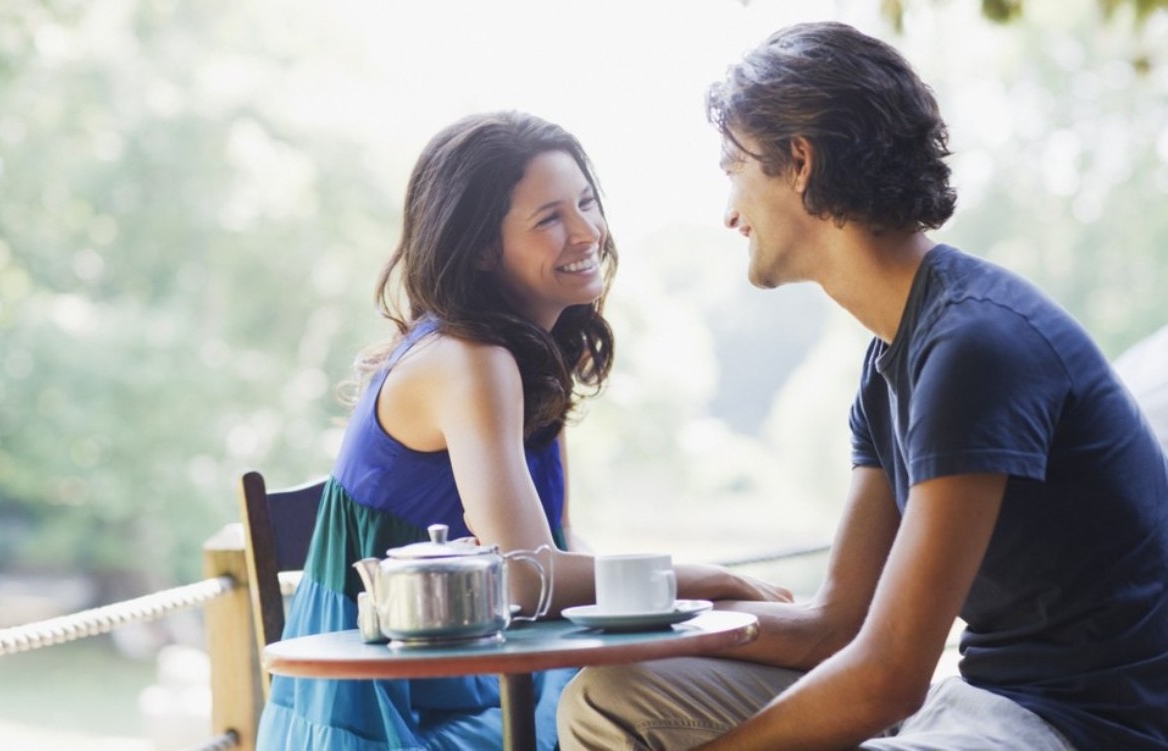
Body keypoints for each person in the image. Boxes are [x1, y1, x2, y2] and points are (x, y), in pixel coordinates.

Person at [558, 22, 1168, 751]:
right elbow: (837, 626)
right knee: (611, 699)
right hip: (977, 702)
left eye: (734, 168)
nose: (729, 212)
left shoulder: (974, 347)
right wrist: (662, 615)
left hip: (1079, 726)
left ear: (800, 163)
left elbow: (888, 676)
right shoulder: (889, 363)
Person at [256, 110, 783, 751]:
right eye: (550, 219)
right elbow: (530, 577)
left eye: (586, 203)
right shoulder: (470, 362)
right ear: (481, 249)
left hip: (491, 689)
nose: (587, 232)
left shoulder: (529, 360)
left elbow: (554, 545)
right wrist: (707, 578)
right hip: (386, 720)